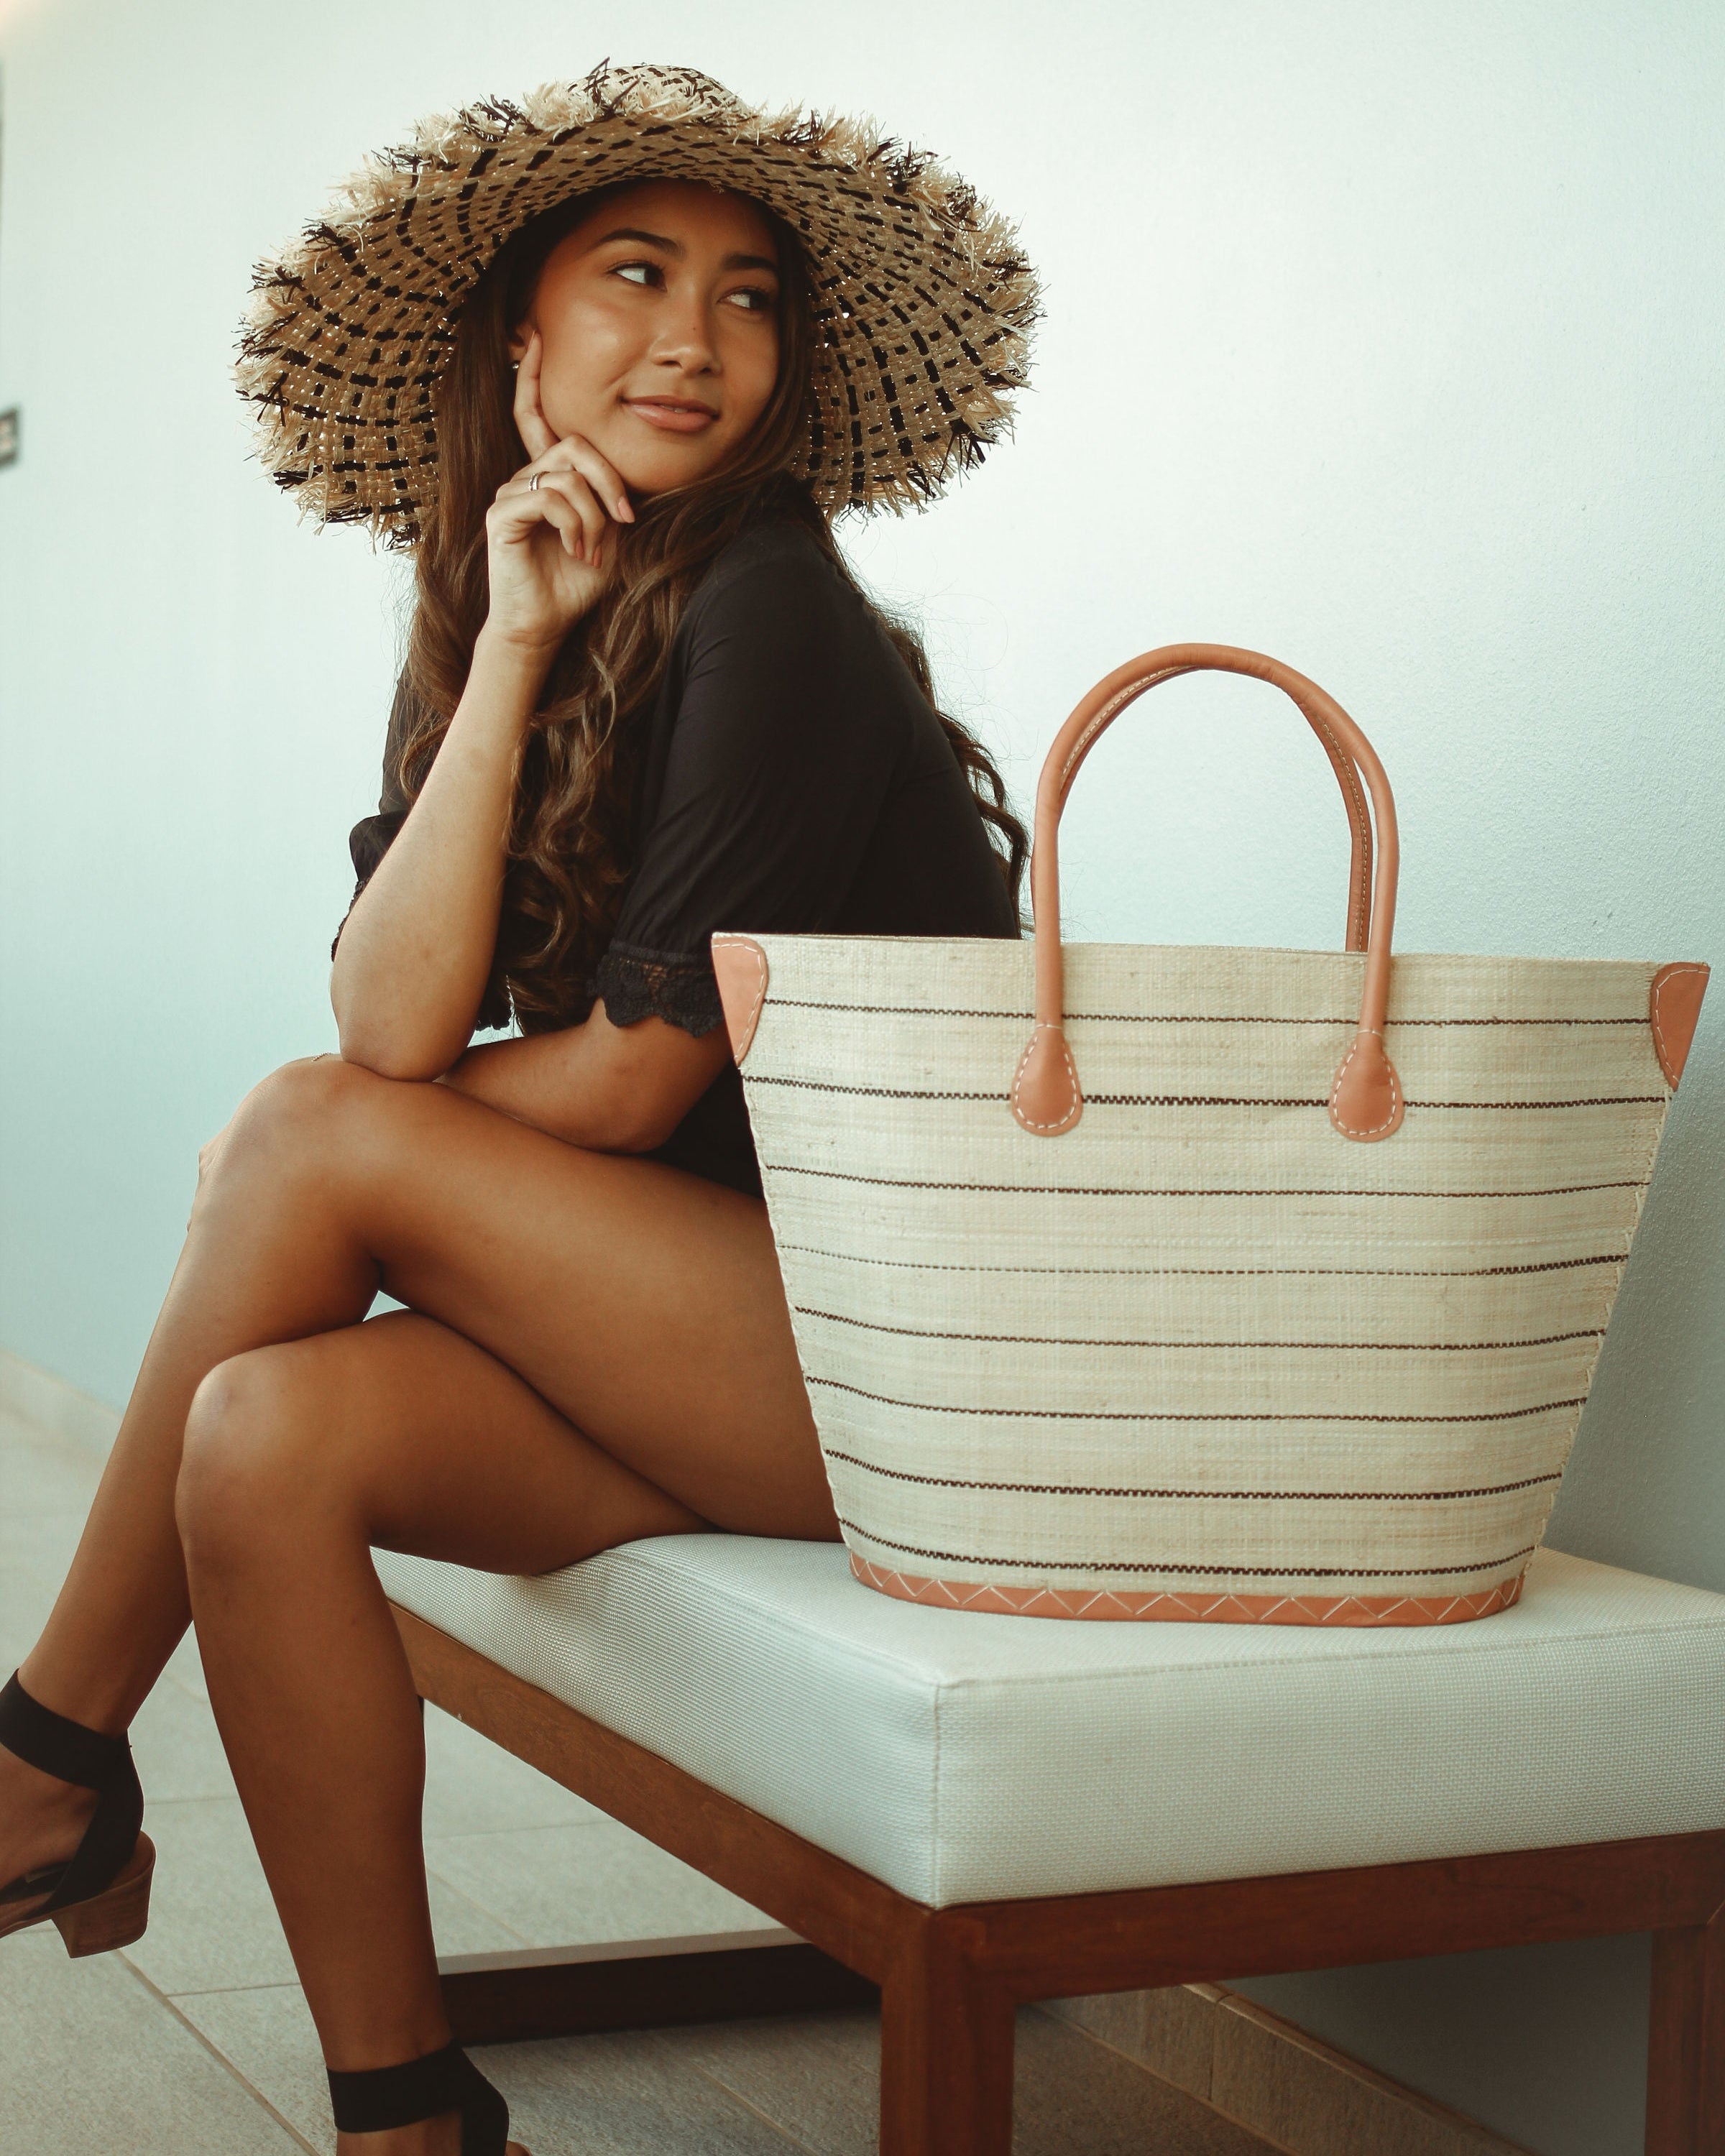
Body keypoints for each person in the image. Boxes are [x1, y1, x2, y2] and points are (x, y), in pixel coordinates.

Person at [0, 63, 1037, 2156]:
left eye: (747, 299)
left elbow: (644, 1068)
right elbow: (394, 1029)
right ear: (523, 334)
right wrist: (501, 653)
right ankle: (409, 2112)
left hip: (912, 1368)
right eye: (634, 276)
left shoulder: (778, 611)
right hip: (694, 1337)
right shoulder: (521, 601)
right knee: (260, 1428)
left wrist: (339, 1155)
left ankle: (42, 1755)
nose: (692, 339)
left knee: (302, 1133)